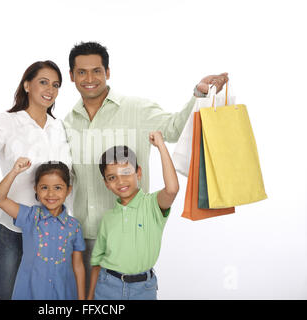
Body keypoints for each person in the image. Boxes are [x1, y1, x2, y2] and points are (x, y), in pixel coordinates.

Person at [63, 41, 229, 293]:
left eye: (96, 70)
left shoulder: (137, 109)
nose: (89, 78)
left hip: (129, 234)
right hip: (83, 236)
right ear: (72, 76)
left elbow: (173, 129)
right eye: (82, 72)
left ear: (107, 73)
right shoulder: (67, 122)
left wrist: (198, 95)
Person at [0, 61, 72, 300]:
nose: (50, 89)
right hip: (13, 230)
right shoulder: (9, 121)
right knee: (9, 295)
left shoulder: (59, 126)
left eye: (56, 85)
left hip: (52, 231)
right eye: (43, 82)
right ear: (27, 85)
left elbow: (68, 176)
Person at [88, 132, 178, 300]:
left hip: (143, 289)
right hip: (107, 287)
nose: (120, 182)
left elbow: (172, 189)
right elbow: (97, 263)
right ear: (106, 183)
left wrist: (161, 146)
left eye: (126, 172)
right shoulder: (108, 218)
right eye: (112, 177)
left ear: (138, 172)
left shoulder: (152, 205)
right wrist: (88, 299)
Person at [0, 158, 85, 299]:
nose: (50, 194)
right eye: (44, 187)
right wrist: (14, 171)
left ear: (68, 190)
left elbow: (78, 266)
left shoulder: (74, 226)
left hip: (63, 293)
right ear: (36, 189)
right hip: (30, 292)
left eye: (58, 187)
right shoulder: (30, 217)